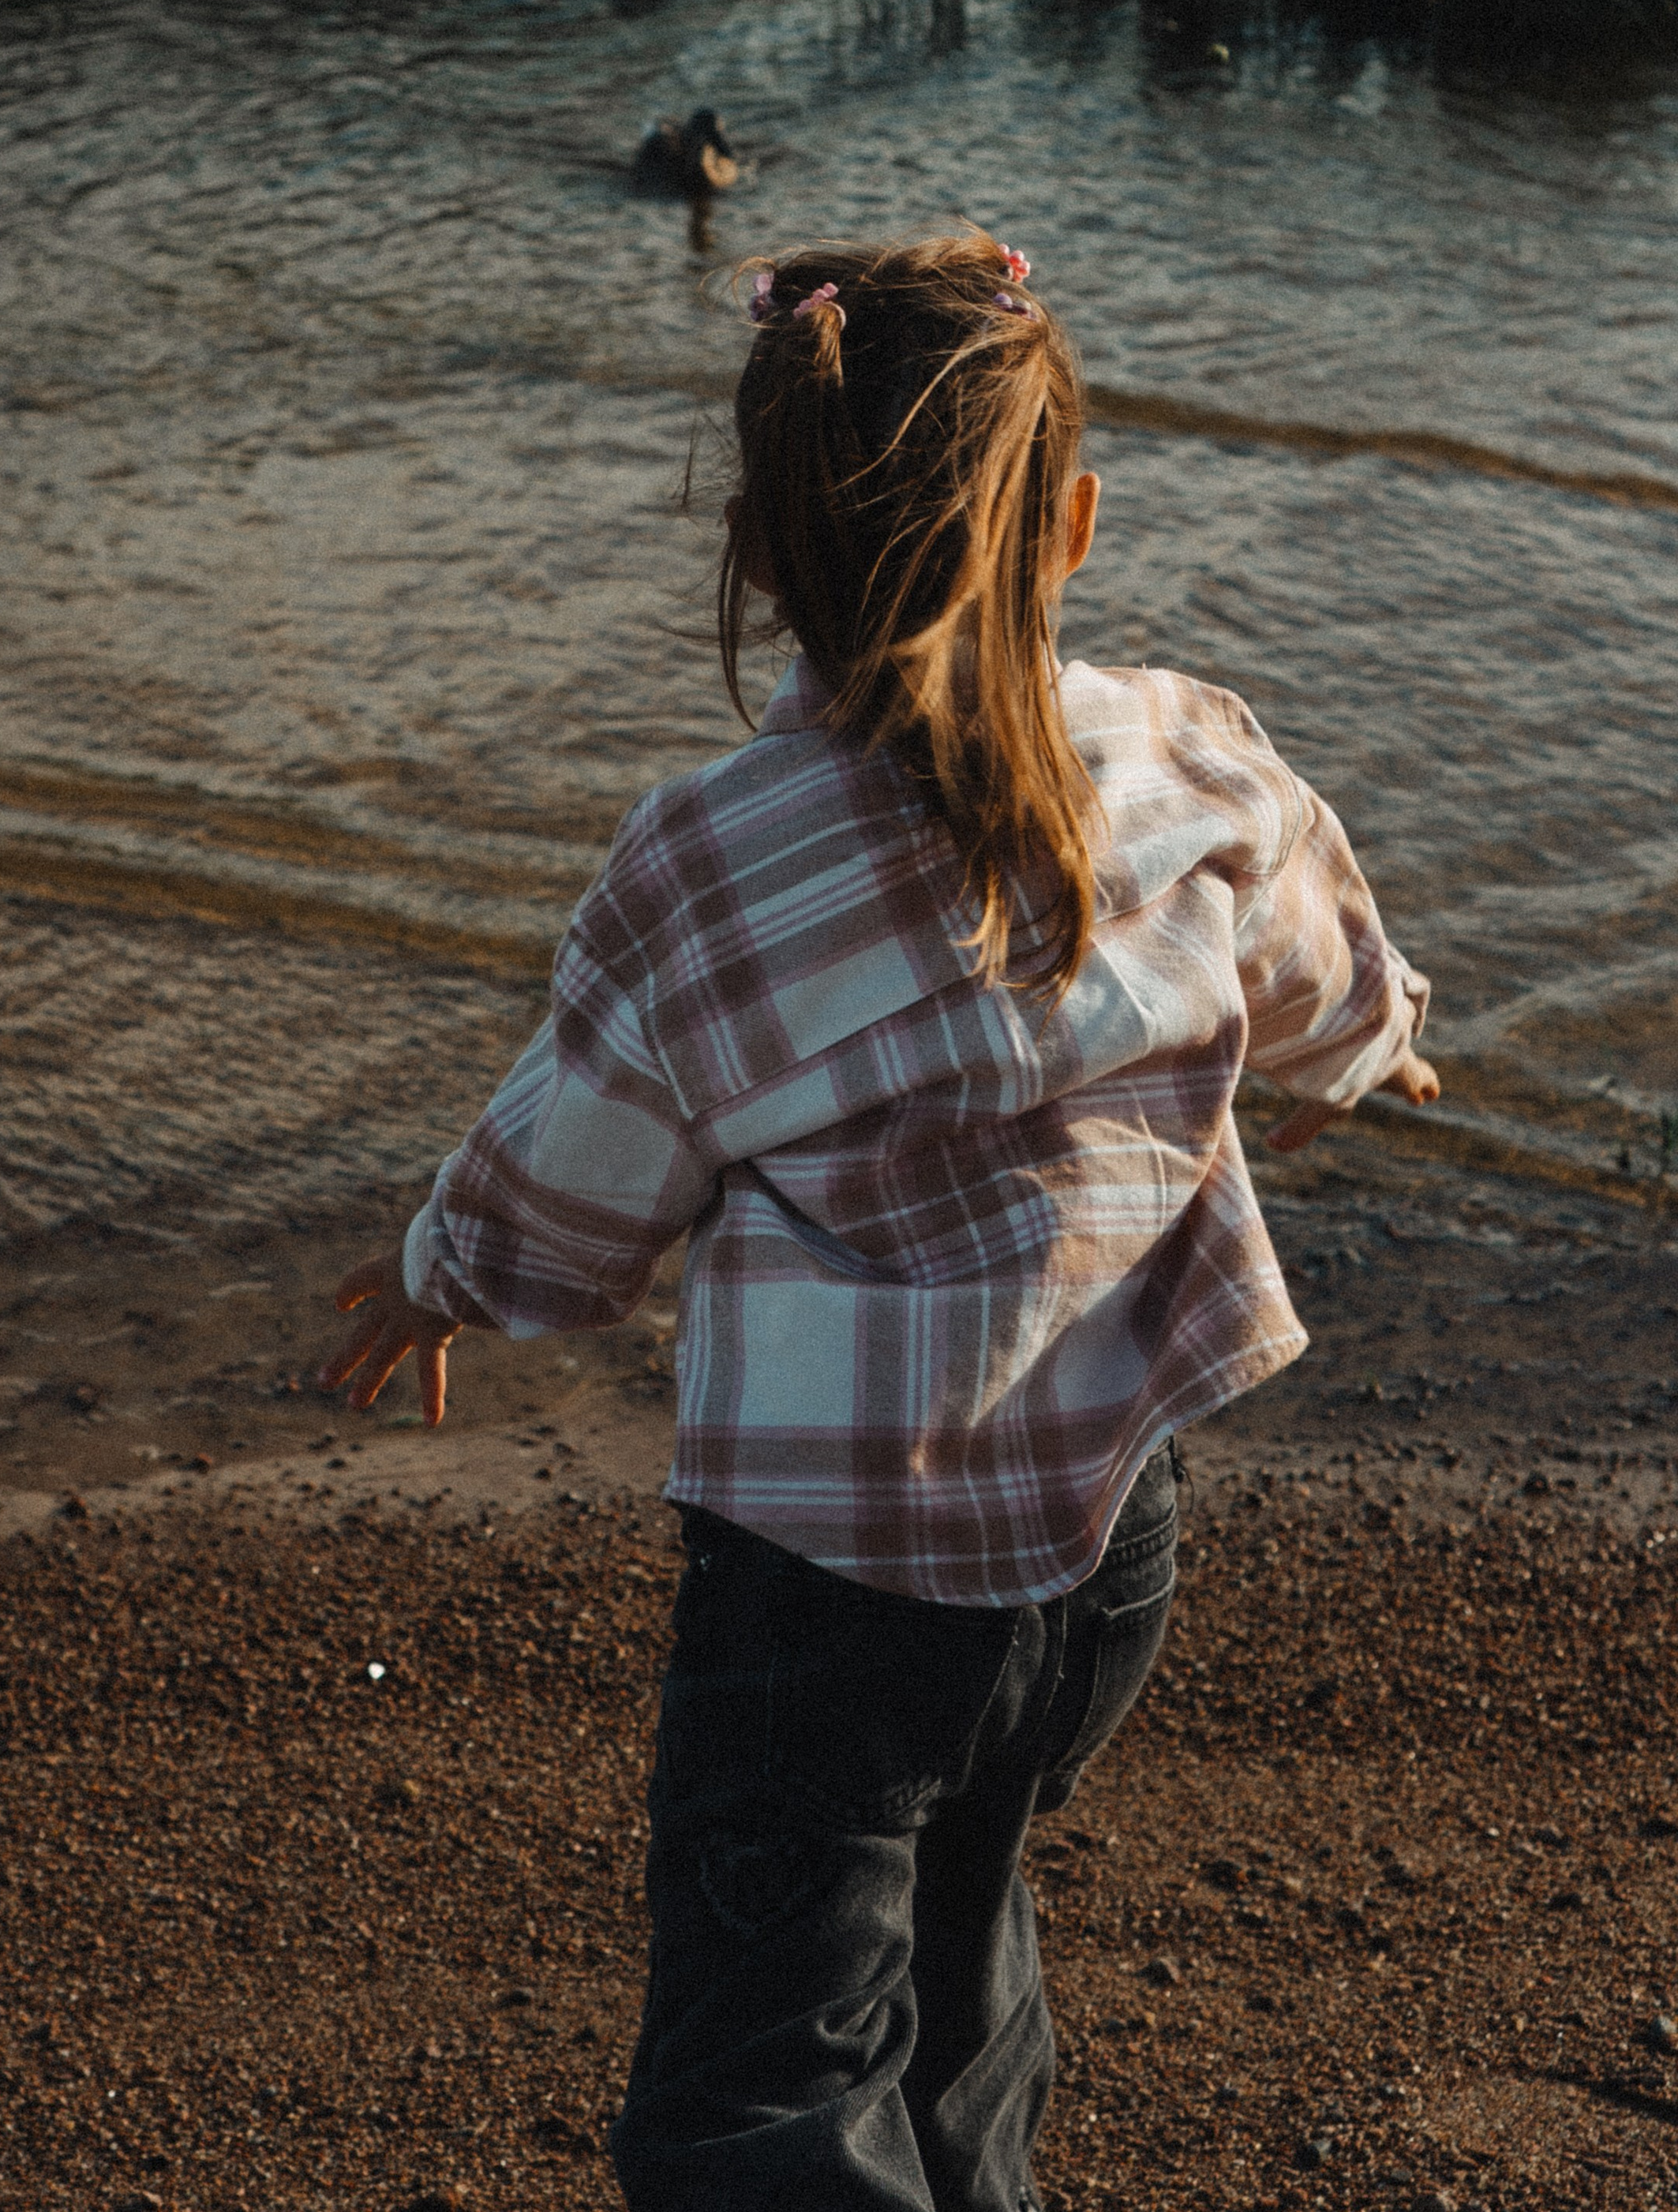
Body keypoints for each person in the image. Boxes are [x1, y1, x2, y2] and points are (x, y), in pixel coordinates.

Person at [320, 230, 1436, 2212]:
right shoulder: (1180, 751)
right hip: (1103, 1552)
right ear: (1071, 525)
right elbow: (1316, 976)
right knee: (951, 1934)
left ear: (756, 560)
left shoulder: (706, 860)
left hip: (832, 1576)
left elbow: (576, 1196)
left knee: (760, 2075)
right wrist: (1381, 1051)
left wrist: (439, 1278)